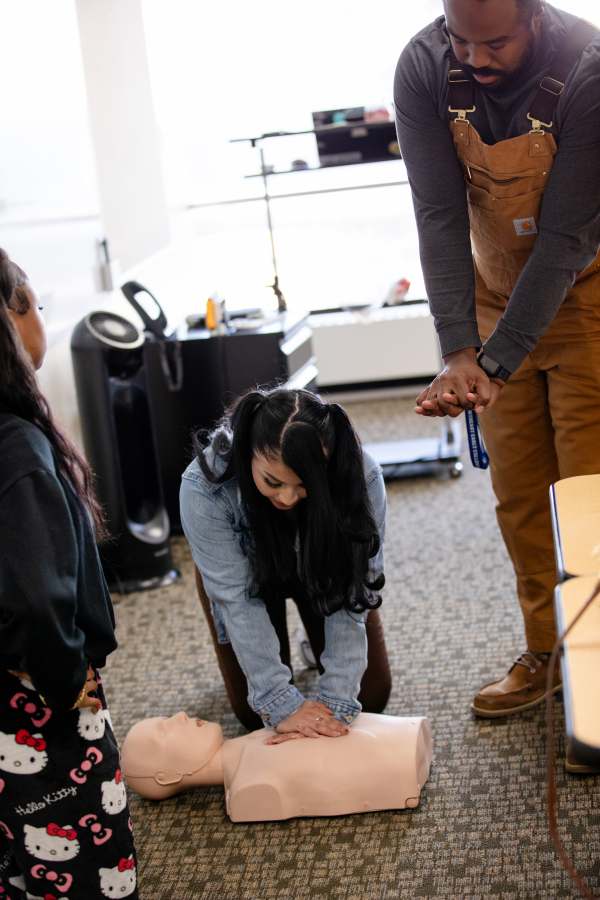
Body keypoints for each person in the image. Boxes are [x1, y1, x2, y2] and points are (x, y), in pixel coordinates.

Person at [394, 0, 600, 729]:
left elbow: (569, 238)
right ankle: (547, 653)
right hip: (489, 298)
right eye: (460, 39)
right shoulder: (422, 68)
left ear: (536, 17)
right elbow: (439, 214)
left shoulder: (588, 66)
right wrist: (458, 351)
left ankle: (599, 667)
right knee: (519, 494)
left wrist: (494, 362)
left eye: (496, 43)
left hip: (586, 298)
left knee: (588, 497)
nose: (474, 59)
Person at [0, 249, 138, 899]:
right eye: (38, 304)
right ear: (13, 312)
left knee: (20, 856)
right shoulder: (17, 447)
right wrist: (65, 680)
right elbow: (37, 593)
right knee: (82, 859)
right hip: (41, 695)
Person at [180, 388, 391, 739]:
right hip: (246, 581)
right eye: (273, 482)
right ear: (248, 452)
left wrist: (336, 704)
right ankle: (297, 643)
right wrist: (280, 703)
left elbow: (356, 586)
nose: (288, 498)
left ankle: (312, 640)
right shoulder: (203, 488)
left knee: (370, 699)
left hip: (324, 571)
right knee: (254, 715)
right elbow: (236, 600)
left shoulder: (362, 476)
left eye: (304, 485)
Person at [120, 710, 433, 819]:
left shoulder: (253, 740)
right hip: (400, 766)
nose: (180, 717)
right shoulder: (249, 789)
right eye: (165, 730)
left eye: (166, 718)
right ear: (167, 776)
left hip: (403, 738)